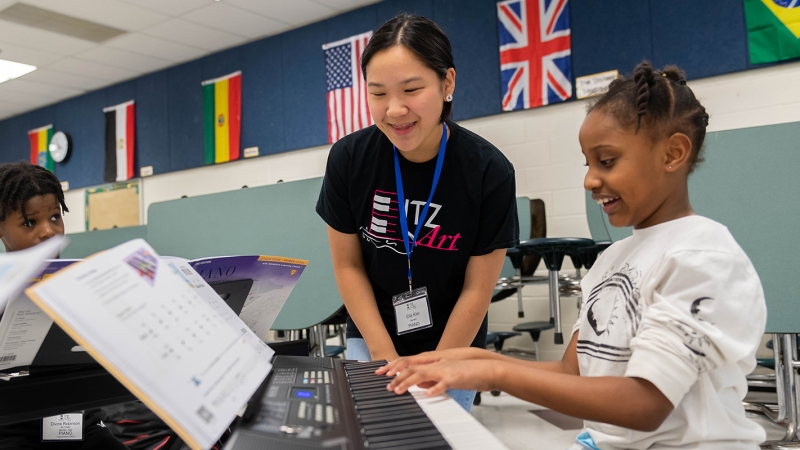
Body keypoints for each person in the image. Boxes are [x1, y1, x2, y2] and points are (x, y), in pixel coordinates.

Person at [378, 62, 767, 449]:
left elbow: (647, 404)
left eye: (607, 161)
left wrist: (496, 374)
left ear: (673, 153)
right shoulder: (611, 259)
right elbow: (572, 370)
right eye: (588, 163)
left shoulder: (701, 256)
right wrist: (467, 361)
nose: (590, 180)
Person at [316, 13, 519, 411]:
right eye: (377, 93)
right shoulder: (348, 160)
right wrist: (385, 356)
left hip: (454, 340)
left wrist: (436, 366)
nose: (394, 110)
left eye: (411, 89)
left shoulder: (488, 171)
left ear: (447, 84)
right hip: (374, 334)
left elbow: (477, 288)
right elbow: (348, 267)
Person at [0, 161, 128, 449]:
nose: (48, 231)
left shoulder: (83, 281)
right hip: (12, 428)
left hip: (80, 422)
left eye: (55, 217)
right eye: (30, 222)